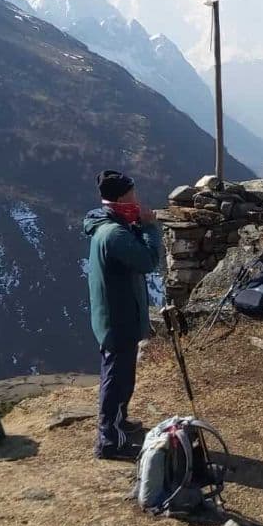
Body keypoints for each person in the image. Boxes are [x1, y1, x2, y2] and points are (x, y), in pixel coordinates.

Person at [83, 169, 164, 460]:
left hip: (116, 315)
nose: (137, 200)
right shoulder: (114, 234)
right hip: (118, 319)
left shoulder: (110, 227)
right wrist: (150, 228)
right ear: (120, 199)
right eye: (132, 195)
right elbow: (148, 261)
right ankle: (110, 441)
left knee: (121, 376)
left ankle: (119, 423)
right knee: (116, 380)